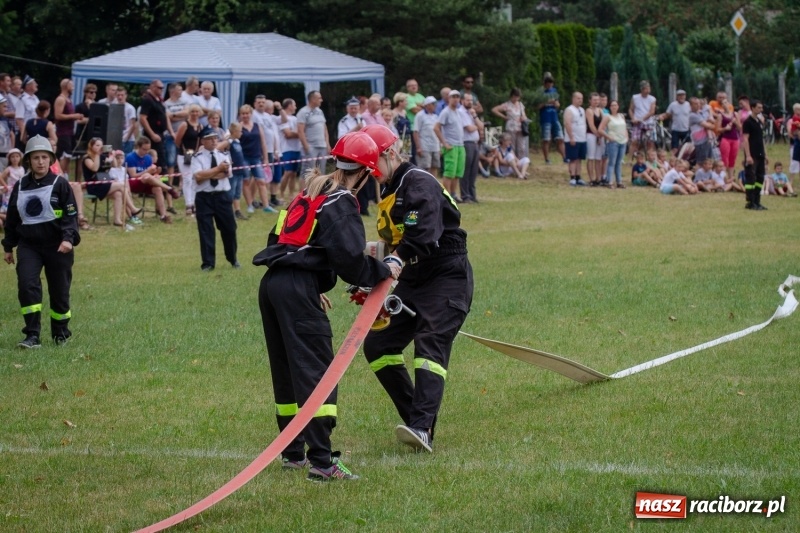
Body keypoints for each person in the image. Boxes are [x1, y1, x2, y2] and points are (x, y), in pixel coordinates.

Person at [254, 130, 398, 481]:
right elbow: (350, 259)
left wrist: (311, 284)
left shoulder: (307, 194)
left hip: (274, 283)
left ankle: (293, 453)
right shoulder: (342, 201)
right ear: (365, 172)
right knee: (317, 372)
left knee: (288, 370)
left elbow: (280, 239)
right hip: (296, 287)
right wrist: (385, 271)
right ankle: (322, 462)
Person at [360, 124, 472, 453]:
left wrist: (395, 261)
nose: (370, 173)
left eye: (372, 165)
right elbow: (394, 240)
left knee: (429, 343)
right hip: (413, 278)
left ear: (391, 154)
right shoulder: (391, 187)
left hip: (446, 275)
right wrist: (370, 264)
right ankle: (415, 418)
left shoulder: (418, 182)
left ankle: (422, 428)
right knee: (379, 346)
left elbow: (421, 234)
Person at [2, 135, 80, 348]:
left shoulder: (61, 184)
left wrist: (67, 239)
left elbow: (70, 215)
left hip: (58, 246)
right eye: (36, 157)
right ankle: (32, 335)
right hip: (29, 246)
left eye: (44, 157)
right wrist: (8, 246)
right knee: (27, 285)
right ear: (29, 160)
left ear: (51, 159)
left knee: (60, 291)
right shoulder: (20, 186)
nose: (40, 162)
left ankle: (61, 334)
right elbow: (12, 218)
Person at [190, 126, 239, 271]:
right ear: (203, 141)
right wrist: (217, 169)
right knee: (206, 231)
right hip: (204, 197)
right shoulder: (196, 158)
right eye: (210, 139)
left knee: (229, 229)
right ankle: (208, 263)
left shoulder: (223, 155)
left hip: (222, 196)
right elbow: (198, 177)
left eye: (215, 138)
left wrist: (208, 174)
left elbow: (226, 174)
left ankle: (233, 259)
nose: (213, 141)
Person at [81, 137, 141, 226]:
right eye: (97, 145)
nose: (99, 147)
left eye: (101, 145)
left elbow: (115, 166)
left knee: (118, 194)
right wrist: (97, 155)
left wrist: (112, 157)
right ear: (91, 146)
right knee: (121, 185)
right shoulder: (87, 158)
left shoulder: (102, 156)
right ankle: (132, 208)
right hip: (94, 185)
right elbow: (94, 168)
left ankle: (117, 220)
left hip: (104, 182)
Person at [125, 136, 178, 223]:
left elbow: (151, 174)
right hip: (133, 183)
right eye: (144, 149)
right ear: (138, 147)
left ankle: (163, 215)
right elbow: (133, 175)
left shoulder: (148, 158)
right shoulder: (130, 157)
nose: (146, 152)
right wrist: (148, 171)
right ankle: (169, 188)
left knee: (157, 188)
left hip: (146, 182)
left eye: (148, 149)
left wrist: (155, 174)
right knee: (146, 175)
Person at [238, 104, 274, 214]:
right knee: (246, 181)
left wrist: (266, 159)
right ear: (240, 115)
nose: (245, 116)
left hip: (256, 157)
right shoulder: (238, 126)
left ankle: (266, 205)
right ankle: (250, 205)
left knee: (261, 181)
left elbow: (263, 143)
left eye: (247, 113)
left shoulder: (257, 126)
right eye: (243, 114)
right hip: (243, 158)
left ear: (251, 114)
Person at [434, 90, 466, 202]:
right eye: (453, 97)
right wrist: (444, 143)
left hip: (460, 145)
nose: (456, 99)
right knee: (449, 172)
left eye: (458, 97)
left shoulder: (458, 112)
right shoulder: (445, 112)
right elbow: (436, 127)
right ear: (449, 98)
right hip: (451, 146)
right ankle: (446, 196)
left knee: (457, 172)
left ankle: (453, 193)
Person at [175, 103, 204, 217]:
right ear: (189, 113)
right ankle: (189, 204)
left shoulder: (200, 126)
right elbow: (177, 140)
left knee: (194, 179)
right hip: (184, 155)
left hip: (196, 155)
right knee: (187, 179)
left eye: (197, 112)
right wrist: (184, 151)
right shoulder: (184, 124)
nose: (195, 114)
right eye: (193, 111)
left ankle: (194, 203)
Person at [742, 100, 768, 210]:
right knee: (751, 178)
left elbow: (761, 139)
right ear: (752, 108)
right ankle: (750, 201)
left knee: (760, 177)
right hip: (752, 154)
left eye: (761, 108)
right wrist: (748, 155)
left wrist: (765, 154)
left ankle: (757, 201)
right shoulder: (748, 122)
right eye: (758, 108)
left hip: (760, 153)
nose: (761, 110)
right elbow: (745, 139)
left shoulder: (758, 122)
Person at [53, 79, 83, 176]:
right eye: (72, 86)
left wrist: (76, 117)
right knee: (64, 156)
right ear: (66, 86)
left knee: (69, 156)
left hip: (70, 132)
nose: (73, 88)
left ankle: (65, 175)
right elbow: (58, 115)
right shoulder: (61, 99)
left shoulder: (69, 99)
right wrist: (73, 116)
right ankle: (58, 175)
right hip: (63, 132)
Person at [297, 90, 330, 176]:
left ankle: (318, 189)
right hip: (311, 146)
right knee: (308, 172)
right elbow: (300, 131)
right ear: (313, 99)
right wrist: (306, 147)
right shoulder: (303, 112)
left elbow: (324, 128)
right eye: (319, 98)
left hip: (322, 146)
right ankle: (303, 189)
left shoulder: (320, 111)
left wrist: (327, 144)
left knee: (321, 172)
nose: (321, 100)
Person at [492, 87, 529, 160]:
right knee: (512, 146)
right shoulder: (507, 105)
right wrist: (504, 117)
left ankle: (521, 162)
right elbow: (494, 110)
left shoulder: (520, 104)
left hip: (520, 127)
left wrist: (524, 118)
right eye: (515, 96)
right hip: (511, 127)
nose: (516, 99)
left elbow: (524, 114)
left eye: (518, 97)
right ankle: (513, 162)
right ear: (512, 96)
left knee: (522, 146)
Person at [459, 93, 484, 200]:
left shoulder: (472, 113)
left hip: (474, 143)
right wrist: (477, 126)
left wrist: (475, 116)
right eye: (467, 100)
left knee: (474, 170)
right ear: (462, 101)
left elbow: (481, 126)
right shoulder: (461, 112)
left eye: (471, 100)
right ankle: (465, 195)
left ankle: (472, 194)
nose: (470, 102)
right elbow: (468, 128)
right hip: (466, 142)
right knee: (466, 170)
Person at [139, 80, 169, 167]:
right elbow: (143, 118)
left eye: (162, 88)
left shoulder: (159, 100)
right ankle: (157, 178)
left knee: (162, 159)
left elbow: (165, 116)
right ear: (152, 87)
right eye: (159, 88)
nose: (161, 90)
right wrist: (152, 134)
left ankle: (163, 179)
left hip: (161, 133)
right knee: (156, 159)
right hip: (153, 134)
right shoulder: (147, 100)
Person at [538, 73, 566, 164]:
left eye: (551, 83)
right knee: (546, 139)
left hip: (555, 117)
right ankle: (547, 159)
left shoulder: (554, 91)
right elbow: (537, 106)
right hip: (545, 118)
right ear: (544, 83)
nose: (550, 85)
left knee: (560, 138)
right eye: (548, 83)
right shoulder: (540, 92)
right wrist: (547, 102)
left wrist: (556, 104)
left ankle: (565, 157)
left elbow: (558, 104)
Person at [278, 98, 301, 201]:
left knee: (294, 173)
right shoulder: (282, 118)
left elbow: (296, 132)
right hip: (286, 149)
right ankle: (281, 194)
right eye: (294, 105)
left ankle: (291, 195)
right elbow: (288, 134)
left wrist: (298, 134)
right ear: (289, 106)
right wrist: (301, 134)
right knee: (287, 172)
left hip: (297, 148)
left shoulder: (296, 119)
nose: (295, 107)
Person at [412, 96, 440, 178]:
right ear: (427, 105)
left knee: (435, 166)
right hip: (424, 146)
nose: (435, 106)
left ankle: (433, 183)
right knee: (425, 167)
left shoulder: (436, 116)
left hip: (435, 146)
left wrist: (440, 146)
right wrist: (418, 147)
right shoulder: (420, 115)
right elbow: (416, 131)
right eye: (433, 104)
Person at [563, 92, 587, 186]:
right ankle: (572, 177)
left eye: (581, 98)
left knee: (579, 159)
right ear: (573, 99)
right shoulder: (569, 110)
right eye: (578, 98)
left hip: (582, 138)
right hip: (573, 138)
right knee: (573, 158)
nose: (580, 100)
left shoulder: (582, 110)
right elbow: (567, 123)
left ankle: (578, 176)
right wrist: (571, 137)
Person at [225, 122, 248, 220]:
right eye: (240, 131)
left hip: (240, 171)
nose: (241, 133)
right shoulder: (228, 142)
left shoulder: (237, 142)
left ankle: (237, 211)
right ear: (234, 132)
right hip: (233, 172)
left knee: (238, 192)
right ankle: (228, 212)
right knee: (231, 192)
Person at [602, 99, 628, 188]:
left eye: (615, 105)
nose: (614, 107)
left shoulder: (621, 116)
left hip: (622, 141)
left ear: (618, 106)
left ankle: (619, 181)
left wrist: (626, 137)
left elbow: (625, 128)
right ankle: (610, 181)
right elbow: (600, 129)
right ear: (610, 107)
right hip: (613, 142)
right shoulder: (607, 117)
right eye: (612, 105)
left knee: (619, 162)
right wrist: (608, 137)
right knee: (612, 162)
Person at [628, 80, 657, 156]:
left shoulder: (652, 99)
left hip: (648, 122)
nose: (648, 90)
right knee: (634, 141)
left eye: (648, 88)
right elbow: (631, 109)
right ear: (642, 89)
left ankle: (650, 158)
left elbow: (652, 112)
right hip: (637, 122)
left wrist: (641, 119)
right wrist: (633, 118)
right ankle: (630, 159)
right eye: (646, 88)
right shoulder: (635, 97)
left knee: (650, 142)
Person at [659, 90, 691, 155]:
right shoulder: (673, 105)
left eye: (683, 95)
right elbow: (667, 114)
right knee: (674, 148)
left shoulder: (688, 105)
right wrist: (662, 116)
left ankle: (686, 163)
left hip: (686, 130)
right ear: (677, 97)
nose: (681, 97)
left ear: (685, 96)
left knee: (687, 148)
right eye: (680, 95)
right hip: (675, 130)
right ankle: (673, 162)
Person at [585, 93, 605, 186]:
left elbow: (603, 122)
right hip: (591, 135)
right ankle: (591, 178)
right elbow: (591, 125)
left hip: (599, 136)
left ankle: (598, 178)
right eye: (594, 100)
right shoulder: (589, 111)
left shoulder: (600, 110)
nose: (596, 102)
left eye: (597, 100)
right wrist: (597, 134)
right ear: (590, 101)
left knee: (598, 158)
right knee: (591, 157)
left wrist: (601, 134)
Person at [1, 148, 24, 227]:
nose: (15, 159)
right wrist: (5, 186)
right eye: (13, 157)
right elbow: (1, 177)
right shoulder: (9, 169)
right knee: (8, 208)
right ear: (9, 159)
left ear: (20, 158)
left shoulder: (22, 169)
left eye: (17, 156)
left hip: (19, 190)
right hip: (10, 191)